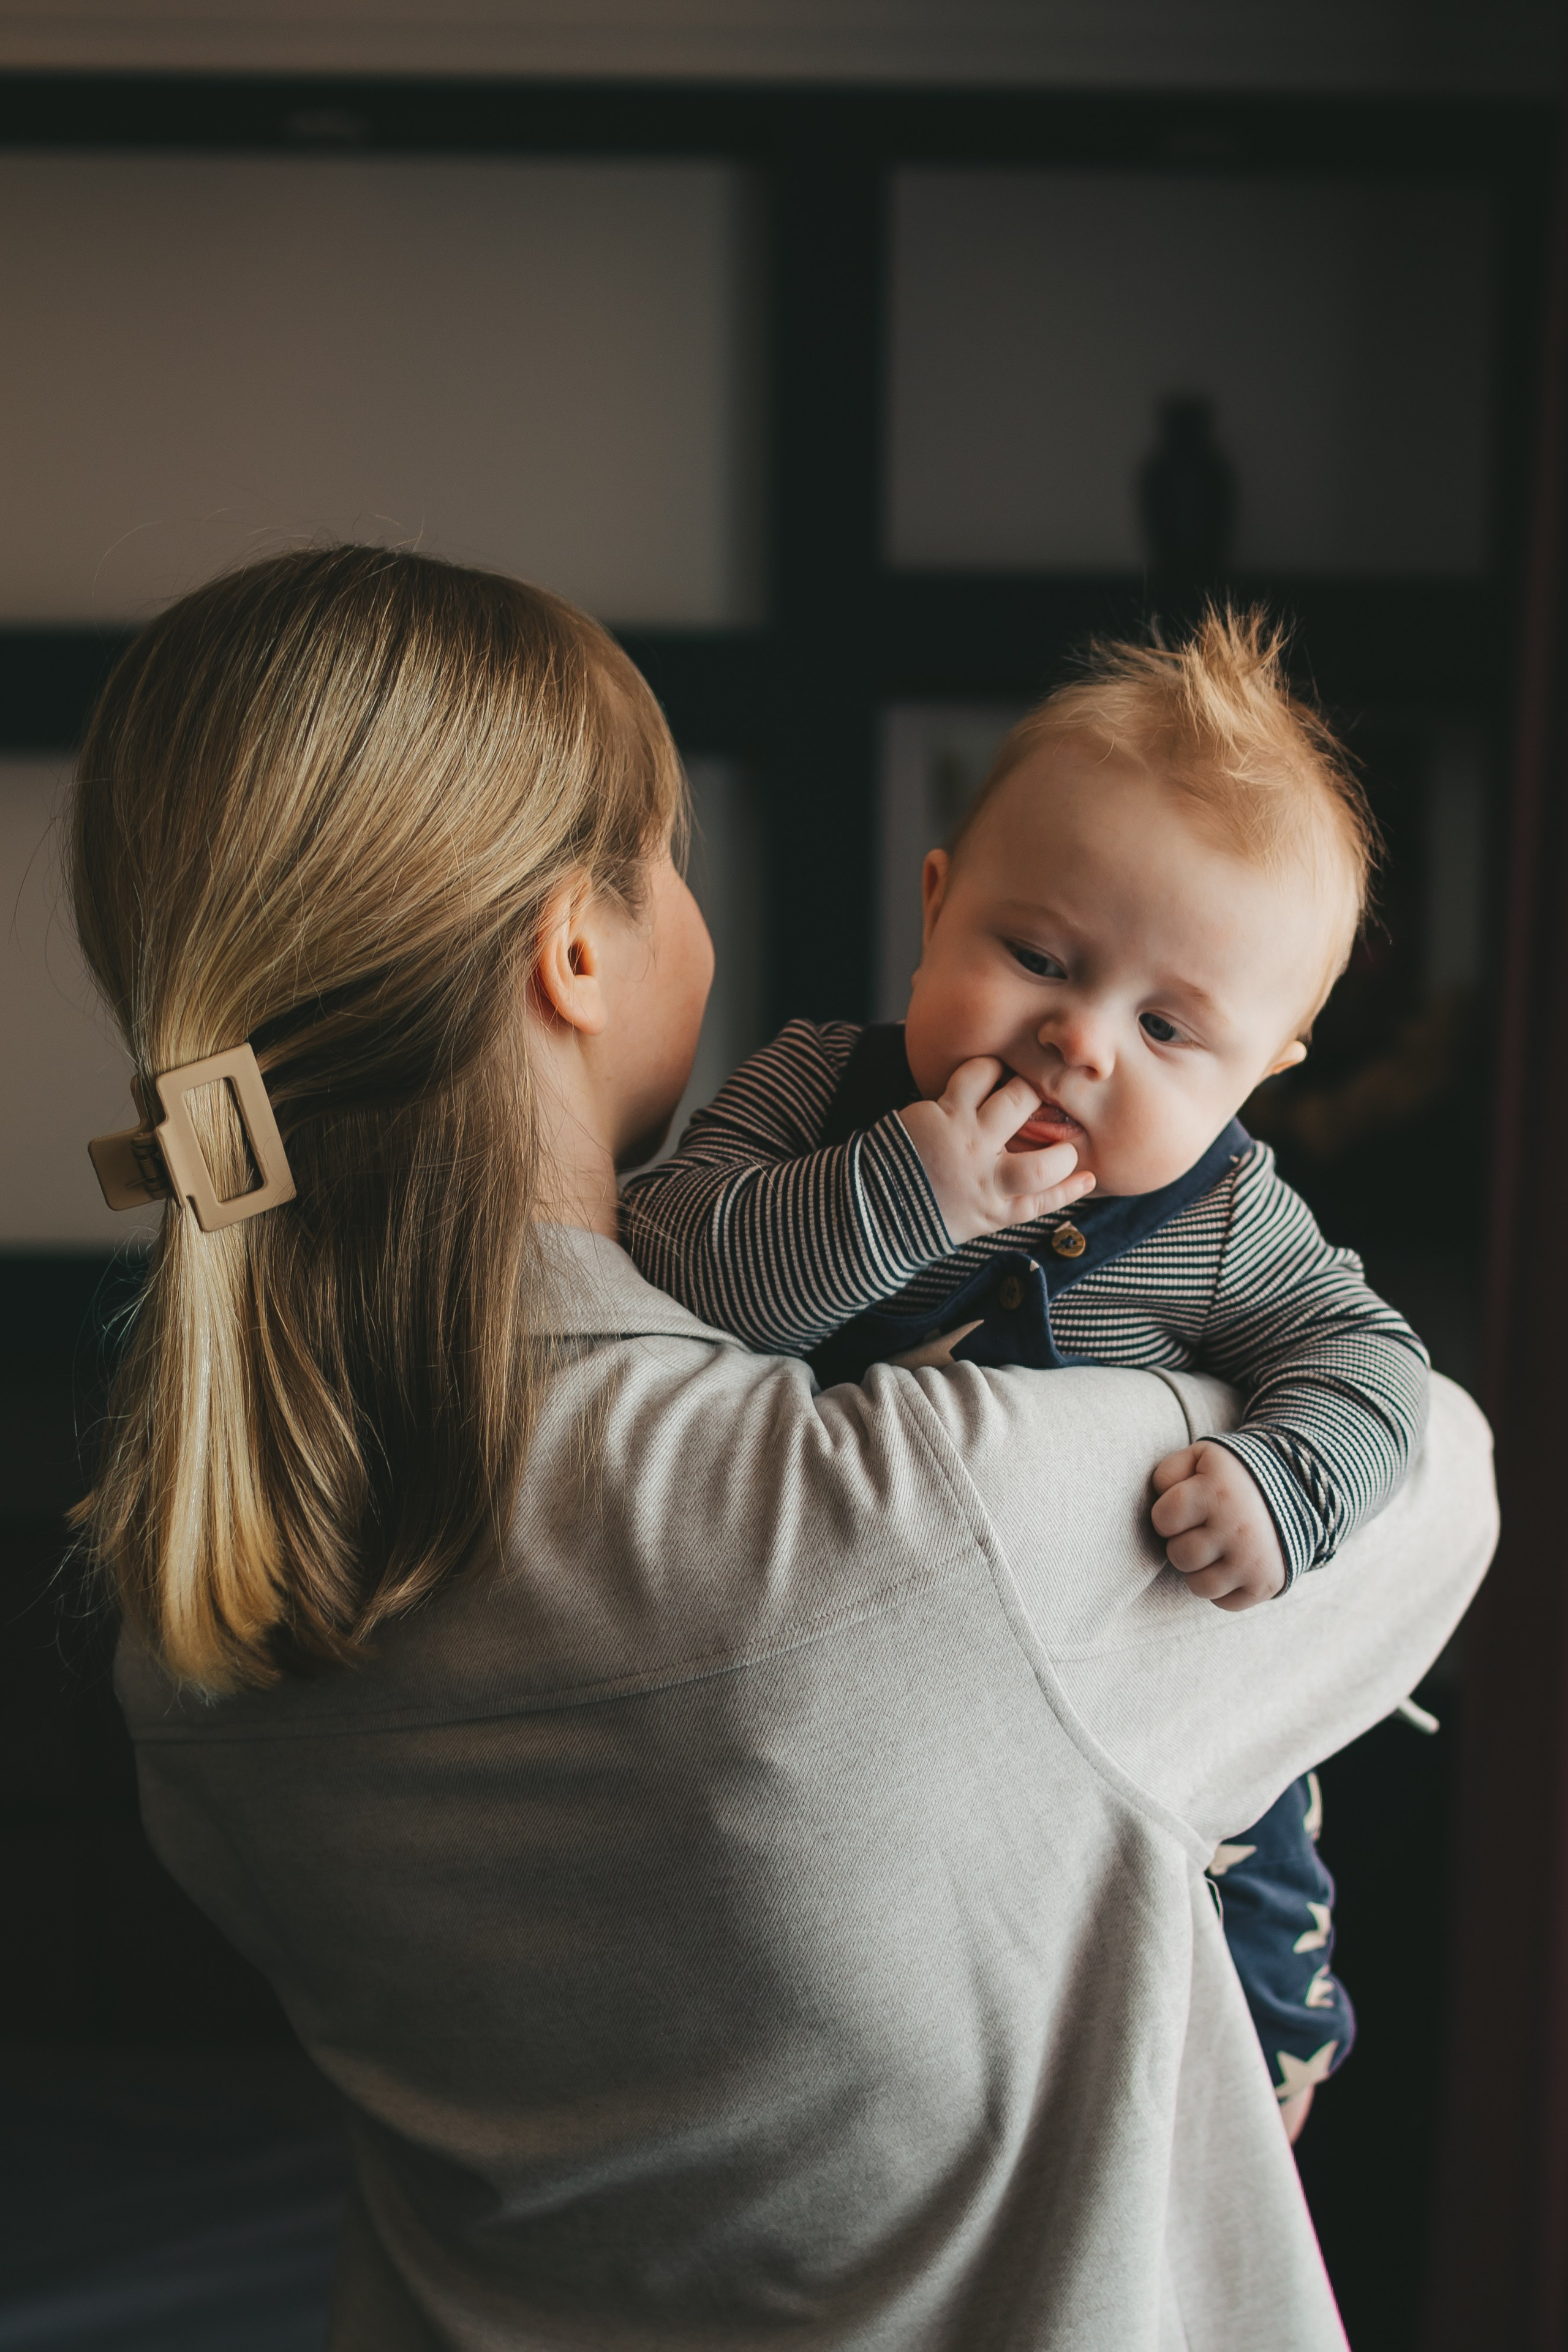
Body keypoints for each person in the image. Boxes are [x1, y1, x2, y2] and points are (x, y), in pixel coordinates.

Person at [74, 547, 1494, 2351]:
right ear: (575, 952)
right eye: (665, 857)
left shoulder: (198, 1596)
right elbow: (1440, 1467)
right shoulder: (918, 1515)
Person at [622, 609, 1420, 2125]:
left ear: (1264, 1072)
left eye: (1170, 1027)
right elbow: (668, 1268)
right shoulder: (818, 1091)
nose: (1077, 1040)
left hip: (1150, 1713)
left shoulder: (1220, 1216)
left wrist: (1278, 1482)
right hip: (860, 1713)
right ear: (934, 907)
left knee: (1244, 1977)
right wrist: (902, 1195)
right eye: (1035, 956)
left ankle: (1248, 2096)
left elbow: (1370, 1363)